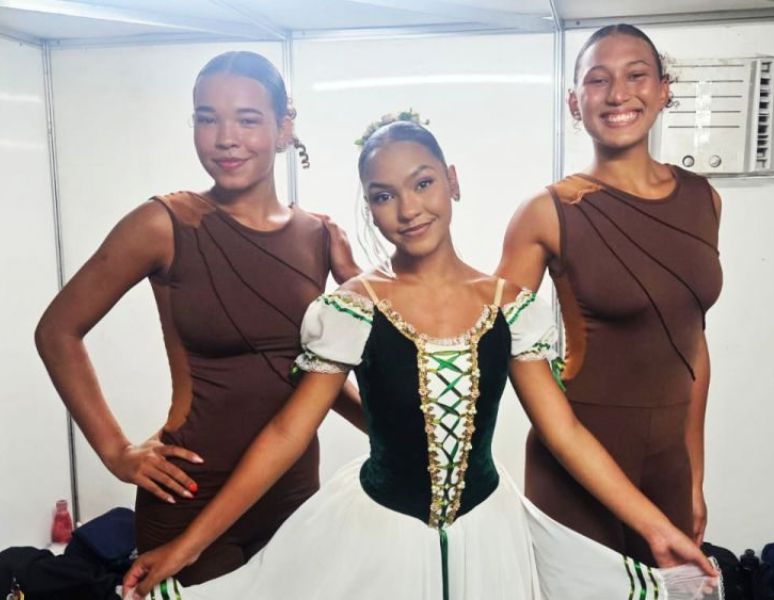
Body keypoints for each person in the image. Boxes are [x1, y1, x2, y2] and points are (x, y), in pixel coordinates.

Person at [122, 118, 720, 600]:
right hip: (380, 534)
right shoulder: (352, 308)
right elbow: (285, 432)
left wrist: (656, 528)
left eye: (423, 182)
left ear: (453, 181)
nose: (408, 209)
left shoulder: (508, 305)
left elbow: (563, 431)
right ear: (369, 206)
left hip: (489, 534)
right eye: (383, 196)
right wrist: (188, 546)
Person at [34, 50, 363, 585]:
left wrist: (393, 433)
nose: (225, 137)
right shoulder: (164, 223)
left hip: (293, 492)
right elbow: (57, 331)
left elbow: (310, 375)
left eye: (247, 120)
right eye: (207, 118)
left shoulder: (321, 236)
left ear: (283, 129)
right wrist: (116, 451)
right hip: (188, 494)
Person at [496, 24, 723, 564]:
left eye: (636, 76)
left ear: (664, 90)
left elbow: (692, 346)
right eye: (598, 81)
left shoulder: (705, 200)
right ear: (575, 102)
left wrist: (693, 476)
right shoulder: (546, 212)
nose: (618, 94)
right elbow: (498, 346)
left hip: (669, 464)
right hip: (577, 462)